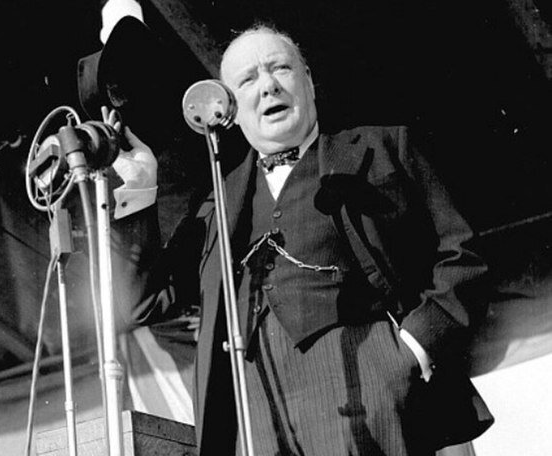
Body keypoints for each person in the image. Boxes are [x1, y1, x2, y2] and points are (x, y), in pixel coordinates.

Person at [108, 25, 493, 456]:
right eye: (248, 79)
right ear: (227, 108)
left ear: (308, 81)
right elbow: (142, 301)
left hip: (374, 383)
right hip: (255, 409)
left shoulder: (384, 148)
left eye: (280, 68)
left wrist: (414, 347)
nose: (268, 86)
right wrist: (138, 189)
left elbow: (463, 255)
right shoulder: (217, 201)